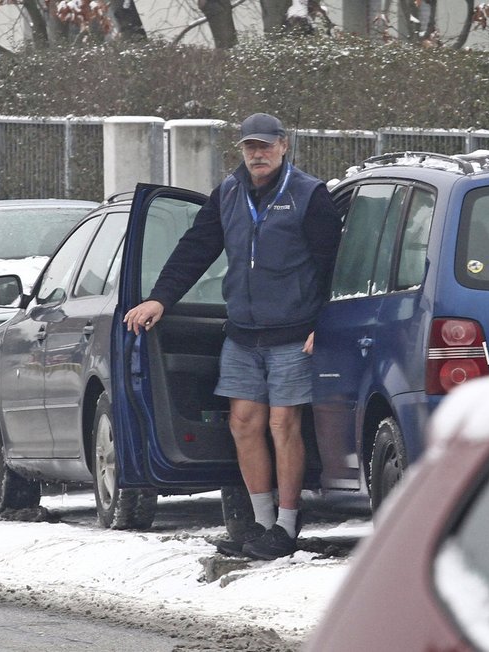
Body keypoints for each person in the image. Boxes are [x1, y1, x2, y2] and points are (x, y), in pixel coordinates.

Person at [123, 113, 342, 560]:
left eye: (265, 146)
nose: (257, 154)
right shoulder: (228, 193)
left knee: (284, 426)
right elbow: (195, 248)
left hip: (294, 333)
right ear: (241, 151)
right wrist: (160, 298)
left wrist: (326, 323)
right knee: (244, 425)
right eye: (249, 147)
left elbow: (332, 265)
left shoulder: (307, 194)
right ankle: (259, 525)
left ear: (284, 146)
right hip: (242, 335)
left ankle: (286, 523)